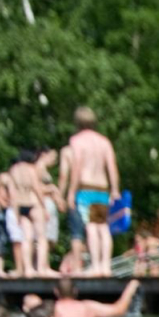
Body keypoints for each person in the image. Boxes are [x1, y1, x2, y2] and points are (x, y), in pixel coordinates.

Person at [66, 106, 120, 276]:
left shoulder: (77, 141)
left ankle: (96, 265)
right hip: (102, 187)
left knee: (91, 227)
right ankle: (106, 266)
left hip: (86, 187)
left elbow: (77, 167)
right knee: (103, 227)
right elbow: (112, 167)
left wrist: (71, 192)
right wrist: (115, 189)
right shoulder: (104, 141)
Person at [3, 149, 53, 277]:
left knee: (27, 238)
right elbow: (36, 188)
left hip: (21, 205)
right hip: (33, 202)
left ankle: (28, 269)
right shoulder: (31, 169)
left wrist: (16, 212)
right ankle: (41, 269)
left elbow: (12, 193)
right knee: (41, 238)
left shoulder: (13, 170)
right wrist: (44, 207)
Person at [52, 277, 140, 317]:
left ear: (56, 292)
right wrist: (131, 286)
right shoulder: (88, 307)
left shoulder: (51, 309)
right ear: (75, 291)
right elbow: (118, 310)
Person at [57, 144, 86, 273]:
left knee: (77, 233)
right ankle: (99, 265)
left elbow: (64, 176)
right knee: (96, 231)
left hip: (78, 195)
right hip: (98, 192)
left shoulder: (67, 151)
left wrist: (60, 197)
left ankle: (77, 267)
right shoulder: (96, 148)